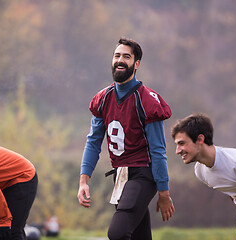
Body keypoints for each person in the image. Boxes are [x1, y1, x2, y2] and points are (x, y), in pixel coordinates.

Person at [77, 37, 175, 240]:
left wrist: (164, 193)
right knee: (139, 236)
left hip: (143, 173)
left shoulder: (146, 99)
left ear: (136, 64)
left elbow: (158, 151)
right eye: (117, 55)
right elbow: (93, 142)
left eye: (126, 57)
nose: (120, 60)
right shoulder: (103, 98)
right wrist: (83, 180)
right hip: (120, 174)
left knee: (118, 233)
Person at [171, 113, 236, 240]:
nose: (177, 150)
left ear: (200, 139)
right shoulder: (200, 171)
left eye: (182, 143)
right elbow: (232, 191)